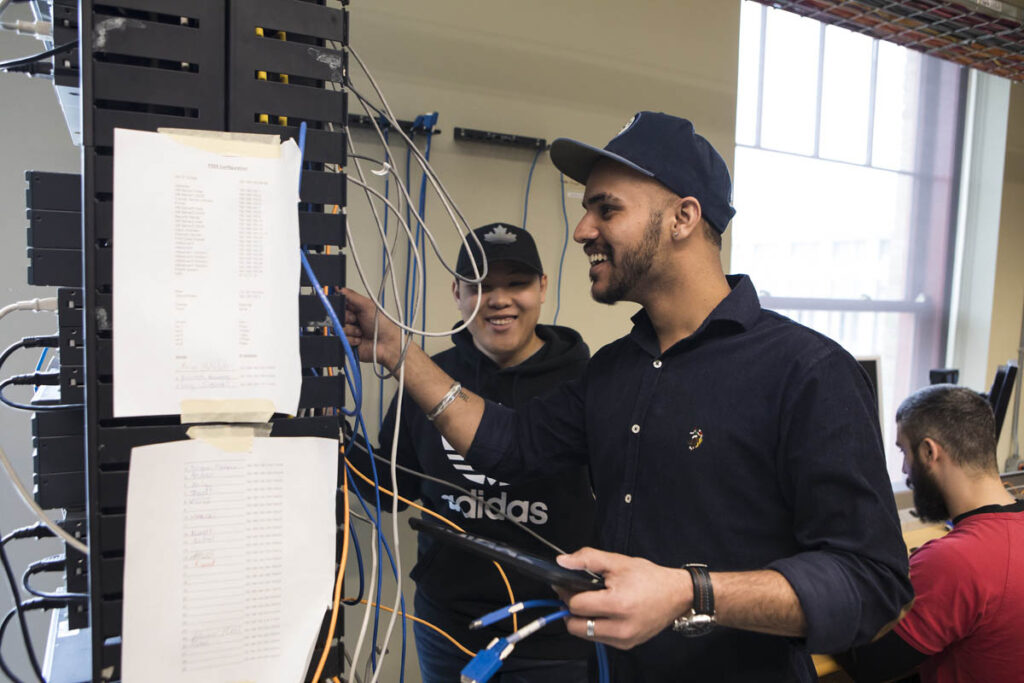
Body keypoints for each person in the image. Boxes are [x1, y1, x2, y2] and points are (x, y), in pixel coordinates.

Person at [343, 112, 912, 681]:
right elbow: (508, 444)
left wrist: (691, 593)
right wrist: (397, 352)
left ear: (683, 218)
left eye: (606, 209)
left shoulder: (807, 371)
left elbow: (873, 586)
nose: (582, 229)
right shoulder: (615, 370)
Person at [347, 223, 596, 682]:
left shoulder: (588, 384)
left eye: (516, 283)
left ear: (542, 288)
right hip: (448, 626)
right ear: (457, 293)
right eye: (480, 286)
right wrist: (332, 437)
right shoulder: (428, 379)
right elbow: (391, 490)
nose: (499, 299)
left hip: (555, 633)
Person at [837, 385, 1024, 683]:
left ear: (929, 451)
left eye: (904, 450)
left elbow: (868, 665)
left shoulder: (956, 561)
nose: (904, 469)